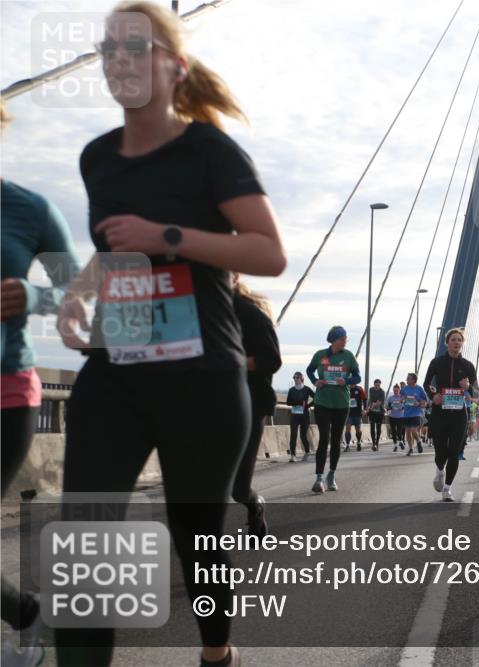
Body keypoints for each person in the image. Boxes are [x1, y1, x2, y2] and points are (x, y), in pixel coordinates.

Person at [54, 3, 287, 664]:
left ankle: (217, 650)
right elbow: (114, 249)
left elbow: (268, 252)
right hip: (117, 373)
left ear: (174, 65)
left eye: (137, 46)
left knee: (195, 534)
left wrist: (169, 237)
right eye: (110, 49)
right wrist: (80, 288)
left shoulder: (209, 149)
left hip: (203, 379)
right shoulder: (96, 157)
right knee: (87, 538)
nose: (121, 59)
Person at [1, 100, 81, 667]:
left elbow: (77, 292)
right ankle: (24, 613)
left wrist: (33, 297)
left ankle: (27, 615)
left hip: (7, 389)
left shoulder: (28, 209)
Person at [231, 274, 282, 539]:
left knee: (238, 489)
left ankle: (255, 505)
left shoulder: (249, 313)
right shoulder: (194, 312)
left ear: (233, 276)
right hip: (208, 406)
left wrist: (231, 360)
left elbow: (271, 359)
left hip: (251, 404)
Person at [424, 328, 478, 500]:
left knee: (454, 452)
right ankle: (440, 470)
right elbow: (426, 384)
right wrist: (434, 396)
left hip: (459, 415)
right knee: (441, 451)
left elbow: (476, 391)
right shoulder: (437, 362)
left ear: (462, 344)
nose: (456, 343)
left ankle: (447, 489)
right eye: (453, 340)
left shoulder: (468, 366)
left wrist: (468, 387)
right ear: (447, 342)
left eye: (459, 340)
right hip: (440, 412)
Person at [306, 326, 360, 493]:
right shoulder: (321, 355)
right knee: (324, 438)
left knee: (336, 440)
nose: (346, 341)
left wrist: (348, 381)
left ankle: (331, 474)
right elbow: (309, 370)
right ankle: (319, 477)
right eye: (343, 338)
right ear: (335, 340)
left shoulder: (349, 356)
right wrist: (315, 381)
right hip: (322, 402)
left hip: (342, 404)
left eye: (346, 339)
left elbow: (358, 376)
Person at [286, 372, 314, 462]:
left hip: (304, 415)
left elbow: (316, 397)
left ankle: (307, 451)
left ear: (301, 379)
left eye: (297, 378)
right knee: (293, 435)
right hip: (294, 415)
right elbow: (288, 402)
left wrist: (308, 406)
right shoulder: (291, 390)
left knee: (303, 435)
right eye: (294, 377)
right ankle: (293, 455)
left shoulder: (307, 389)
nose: (295, 379)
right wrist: (296, 402)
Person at [401, 372, 429, 456]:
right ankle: (411, 448)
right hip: (406, 413)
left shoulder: (419, 389)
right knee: (408, 432)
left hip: (417, 413)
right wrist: (402, 399)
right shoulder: (405, 389)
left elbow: (425, 400)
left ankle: (419, 442)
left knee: (413, 430)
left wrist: (419, 403)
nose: (406, 379)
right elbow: (401, 397)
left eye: (408, 378)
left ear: (413, 380)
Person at [343, 382, 366, 451]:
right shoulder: (345, 388)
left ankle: (358, 442)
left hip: (357, 413)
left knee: (358, 429)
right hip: (348, 413)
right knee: (348, 428)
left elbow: (364, 399)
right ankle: (347, 445)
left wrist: (365, 409)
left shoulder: (359, 389)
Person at [366, 378, 386, 451]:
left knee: (378, 427)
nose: (377, 386)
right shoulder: (371, 389)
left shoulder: (382, 392)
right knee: (372, 427)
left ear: (380, 385)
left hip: (379, 411)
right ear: (374, 384)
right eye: (376, 385)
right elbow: (370, 399)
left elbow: (379, 402)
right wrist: (368, 408)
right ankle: (373, 443)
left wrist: (372, 406)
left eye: (378, 385)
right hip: (372, 412)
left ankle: (377, 442)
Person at [387, 383, 406, 451]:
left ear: (399, 390)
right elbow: (388, 407)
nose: (396, 392)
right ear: (393, 390)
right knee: (393, 432)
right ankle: (395, 445)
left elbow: (405, 405)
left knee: (399, 431)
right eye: (394, 390)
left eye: (397, 390)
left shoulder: (402, 397)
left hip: (400, 416)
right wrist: (390, 408)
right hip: (392, 416)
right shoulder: (390, 398)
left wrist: (402, 408)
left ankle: (401, 441)